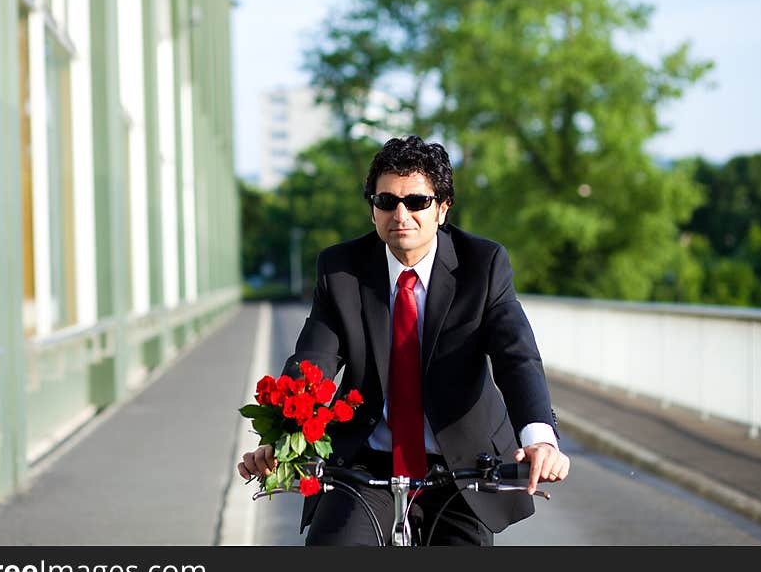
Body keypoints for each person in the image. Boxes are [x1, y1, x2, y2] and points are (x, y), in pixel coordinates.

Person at [238, 135, 570, 545]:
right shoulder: (341, 270)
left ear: (442, 209)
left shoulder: (482, 265)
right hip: (365, 467)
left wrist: (538, 439)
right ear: (372, 209)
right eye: (386, 201)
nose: (401, 214)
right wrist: (280, 439)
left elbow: (515, 357)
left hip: (460, 468)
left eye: (416, 201)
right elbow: (312, 362)